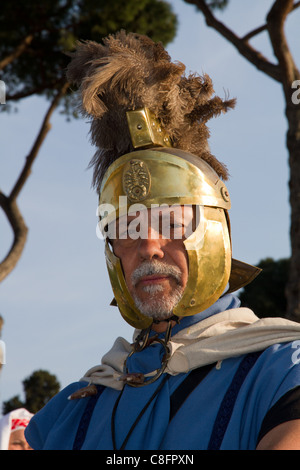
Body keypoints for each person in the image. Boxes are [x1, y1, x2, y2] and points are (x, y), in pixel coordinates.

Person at [25, 31, 300, 450]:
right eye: (127, 228)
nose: (148, 246)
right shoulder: (67, 414)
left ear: (213, 231)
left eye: (171, 222)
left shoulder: (282, 372)